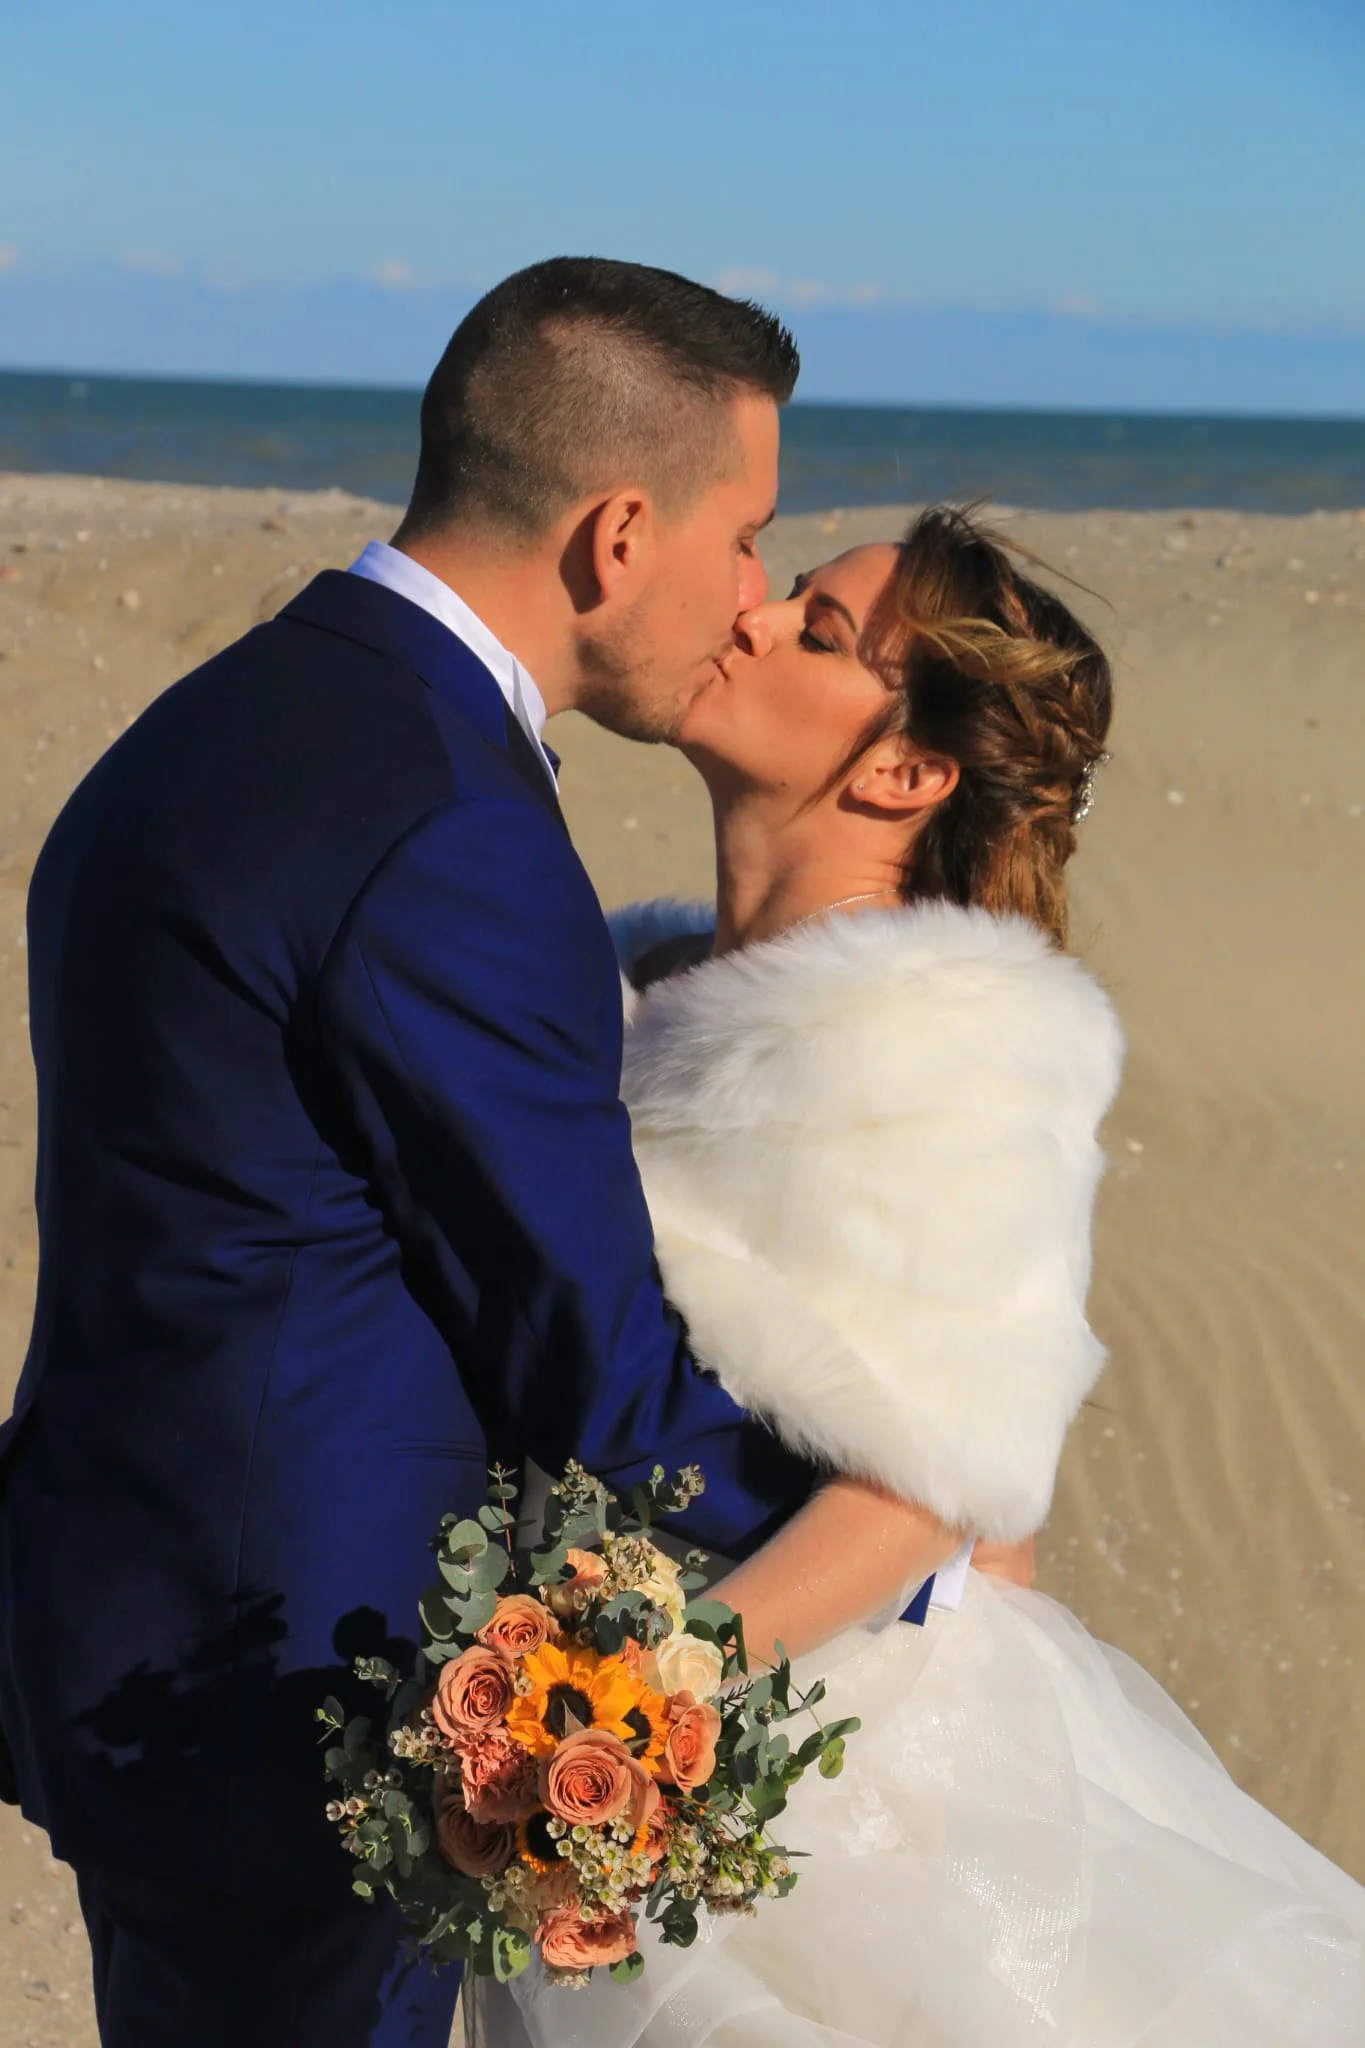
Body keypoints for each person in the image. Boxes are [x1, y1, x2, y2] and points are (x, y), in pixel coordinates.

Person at [0, 258, 963, 2048]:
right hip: (300, 1705)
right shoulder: (451, 823)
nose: (751, 595)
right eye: (743, 536)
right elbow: (584, 1351)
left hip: (111, 1631)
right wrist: (927, 1557)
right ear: (617, 535)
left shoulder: (196, 731)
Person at [480, 508, 1365, 2046]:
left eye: (818, 633)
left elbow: (939, 1487)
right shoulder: (651, 996)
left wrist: (641, 1718)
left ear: (902, 771)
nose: (749, 619)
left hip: (853, 1771)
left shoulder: (955, 1044)